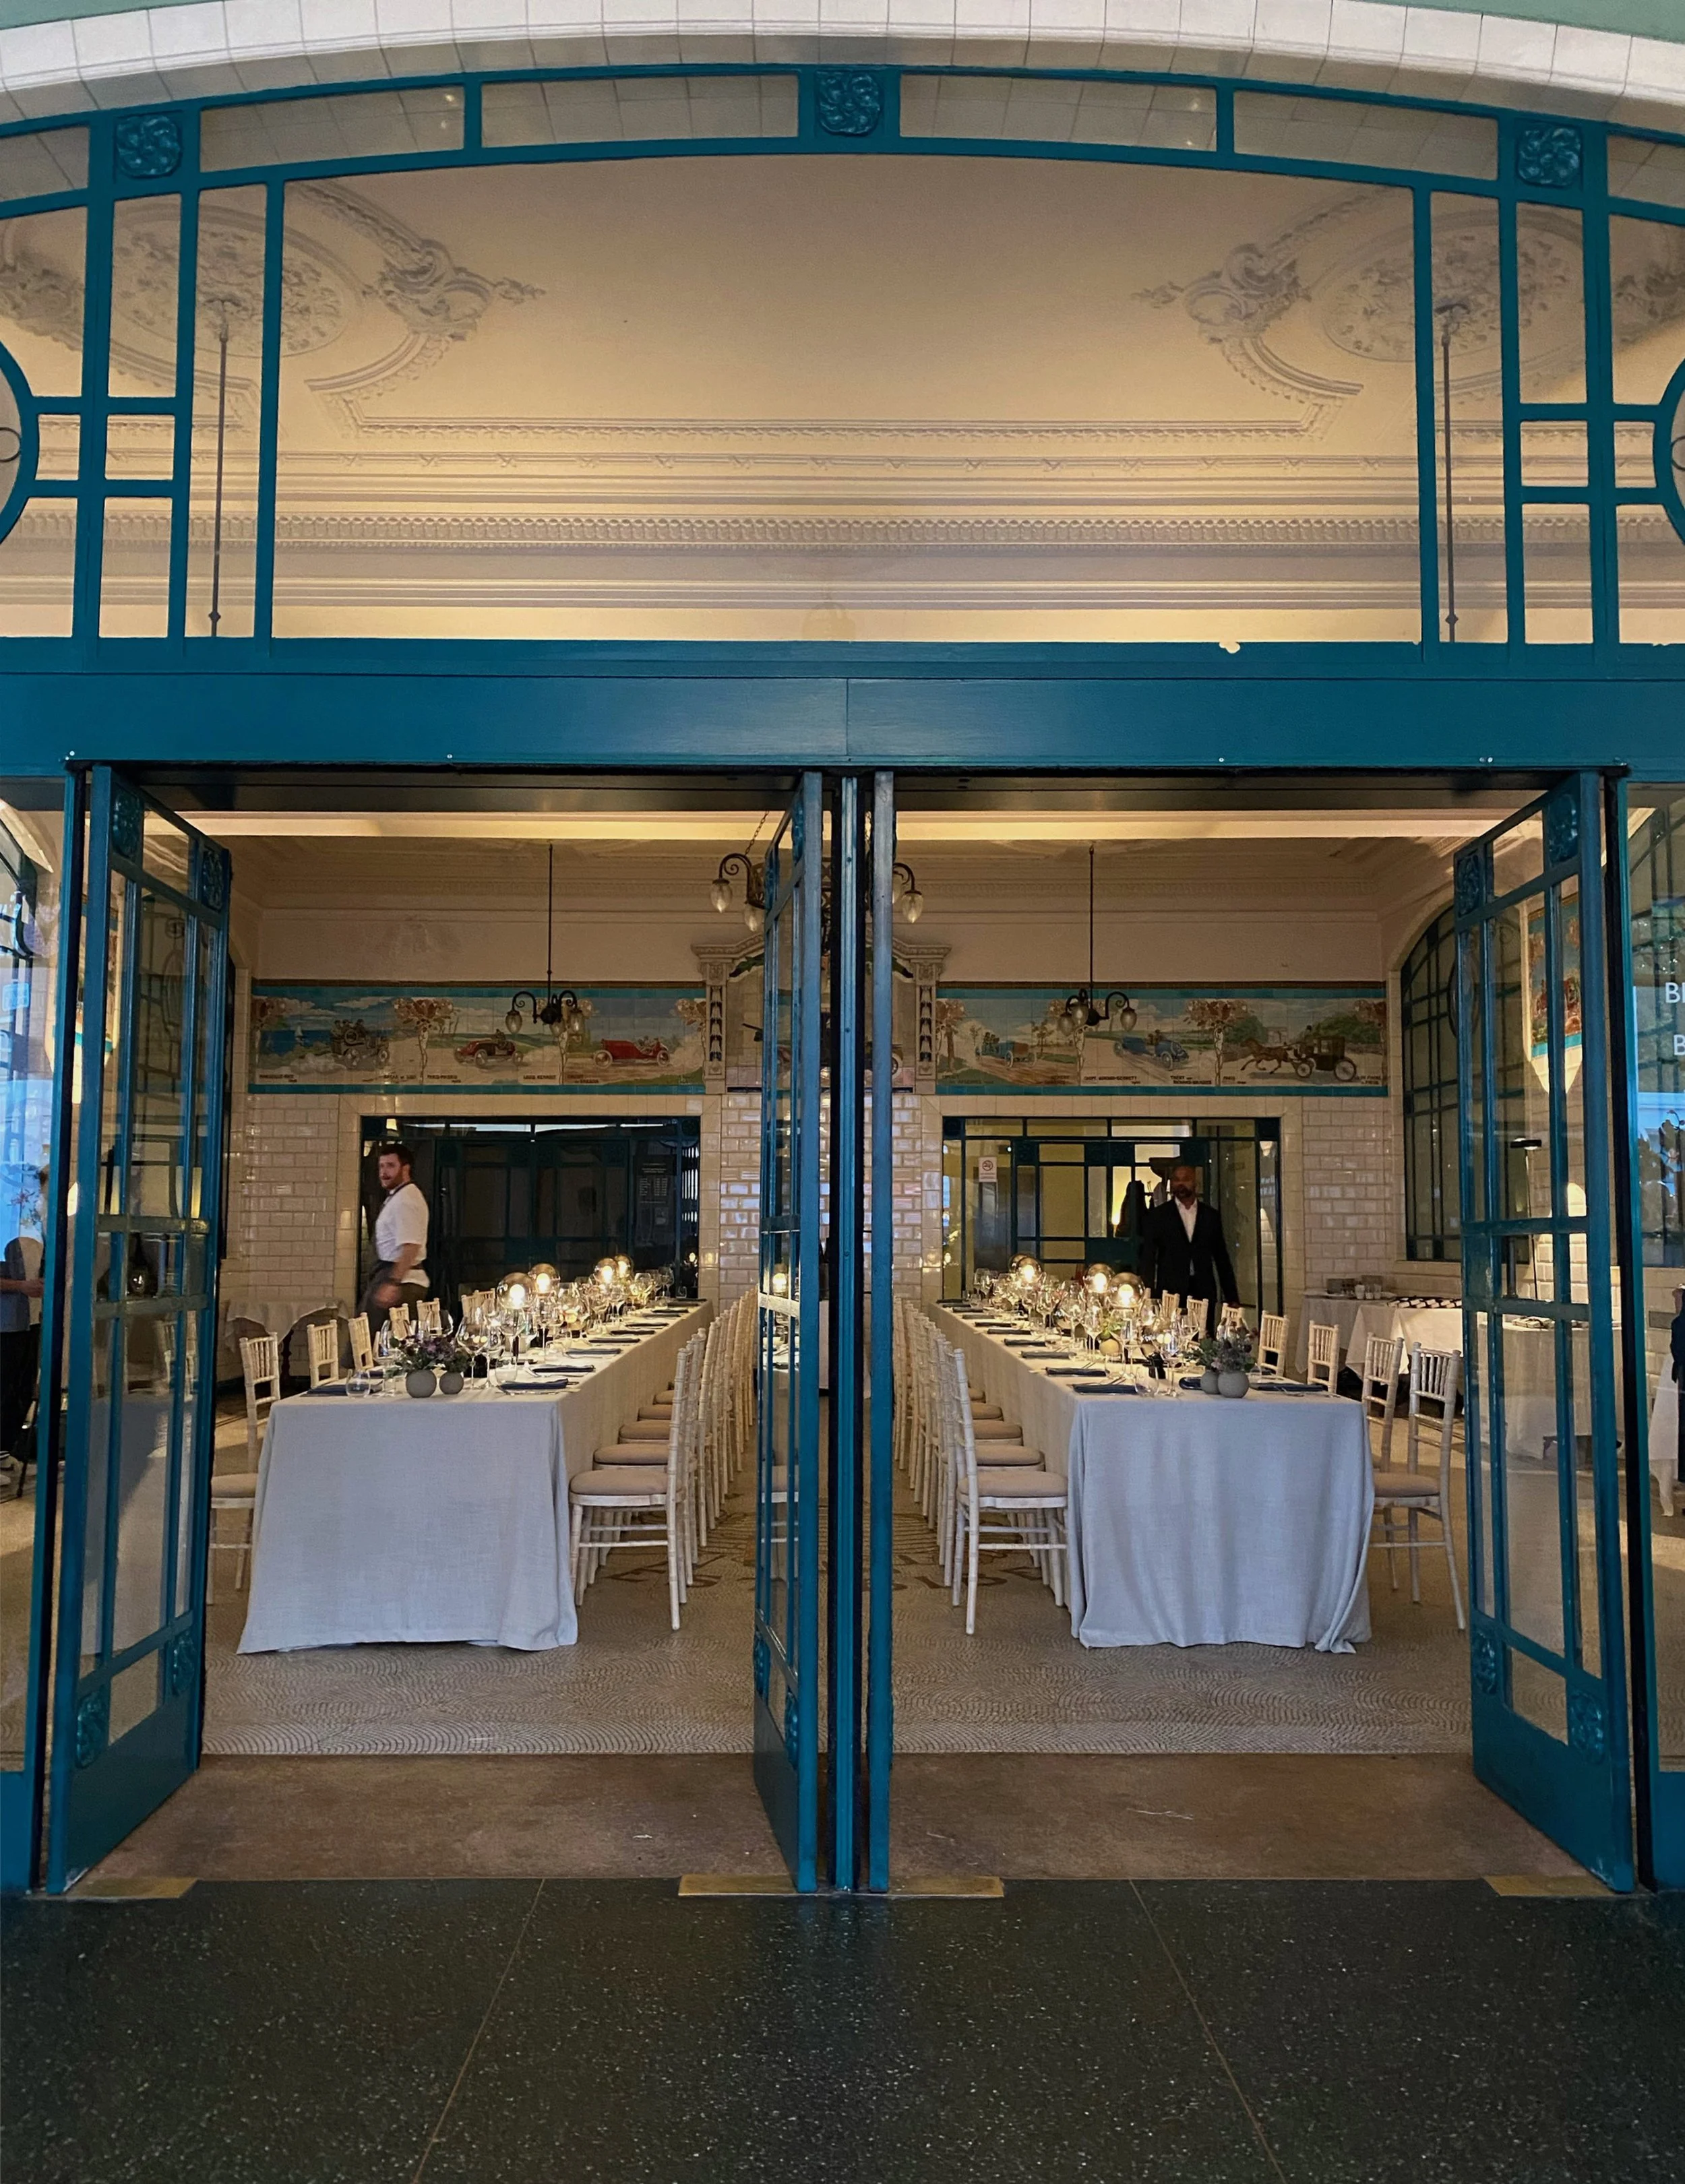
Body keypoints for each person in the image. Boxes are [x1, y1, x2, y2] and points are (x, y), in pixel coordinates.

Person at [1138, 1162, 1239, 1315]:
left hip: (1203, 1290)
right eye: (1176, 1180)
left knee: (1205, 1336)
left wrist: (1232, 1297)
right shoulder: (1159, 1216)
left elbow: (1221, 1257)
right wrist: (1149, 1295)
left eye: (1185, 1179)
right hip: (1171, 1292)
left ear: (1195, 1183)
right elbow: (1149, 1258)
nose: (1180, 1184)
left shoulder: (1210, 1216)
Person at [1, 1174, 46, 1485]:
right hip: (6, 1324)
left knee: (23, 1387)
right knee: (2, 1387)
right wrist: (21, 1286)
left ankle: (7, 1448)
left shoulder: (38, 1233)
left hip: (33, 1320)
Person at [361, 1142, 430, 1336]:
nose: (384, 1172)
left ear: (405, 1168)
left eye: (391, 1166)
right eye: (381, 1166)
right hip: (393, 1276)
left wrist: (393, 1282)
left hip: (401, 1281)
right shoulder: (397, 1196)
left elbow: (410, 1246)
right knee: (369, 1341)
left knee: (376, 1345)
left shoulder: (406, 1199)